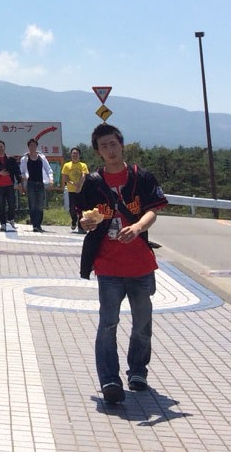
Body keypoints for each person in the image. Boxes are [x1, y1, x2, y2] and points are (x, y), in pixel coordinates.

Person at [78, 123, 167, 404]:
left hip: (140, 264)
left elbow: (154, 209)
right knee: (108, 323)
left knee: (142, 323)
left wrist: (138, 226)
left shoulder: (141, 177)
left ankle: (138, 370)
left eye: (113, 144)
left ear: (122, 144)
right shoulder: (93, 182)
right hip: (108, 265)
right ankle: (109, 380)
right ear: (97, 152)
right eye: (103, 146)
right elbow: (84, 218)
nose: (110, 150)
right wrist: (85, 222)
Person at [19, 137, 54, 233]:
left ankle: (39, 224)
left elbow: (48, 169)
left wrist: (51, 179)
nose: (32, 147)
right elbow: (22, 171)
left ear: (36, 146)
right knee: (32, 204)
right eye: (30, 145)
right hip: (30, 183)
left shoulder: (41, 157)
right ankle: (35, 224)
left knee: (40, 205)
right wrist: (23, 182)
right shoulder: (25, 158)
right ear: (28, 147)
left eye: (34, 145)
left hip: (40, 183)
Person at [0, 139, 21, 232]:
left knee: (12, 204)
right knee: (1, 205)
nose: (1, 148)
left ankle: (11, 220)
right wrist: (0, 173)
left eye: (2, 146)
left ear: (4, 147)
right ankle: (3, 223)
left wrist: (19, 182)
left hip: (10, 185)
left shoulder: (11, 159)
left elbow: (17, 172)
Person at [62, 147, 90, 233]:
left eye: (76, 153)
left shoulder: (83, 165)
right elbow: (65, 177)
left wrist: (80, 185)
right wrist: (73, 184)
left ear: (79, 155)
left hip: (81, 190)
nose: (75, 155)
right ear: (71, 155)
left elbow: (84, 175)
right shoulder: (67, 165)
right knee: (72, 209)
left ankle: (81, 227)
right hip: (71, 190)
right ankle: (74, 220)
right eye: (73, 153)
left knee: (82, 209)